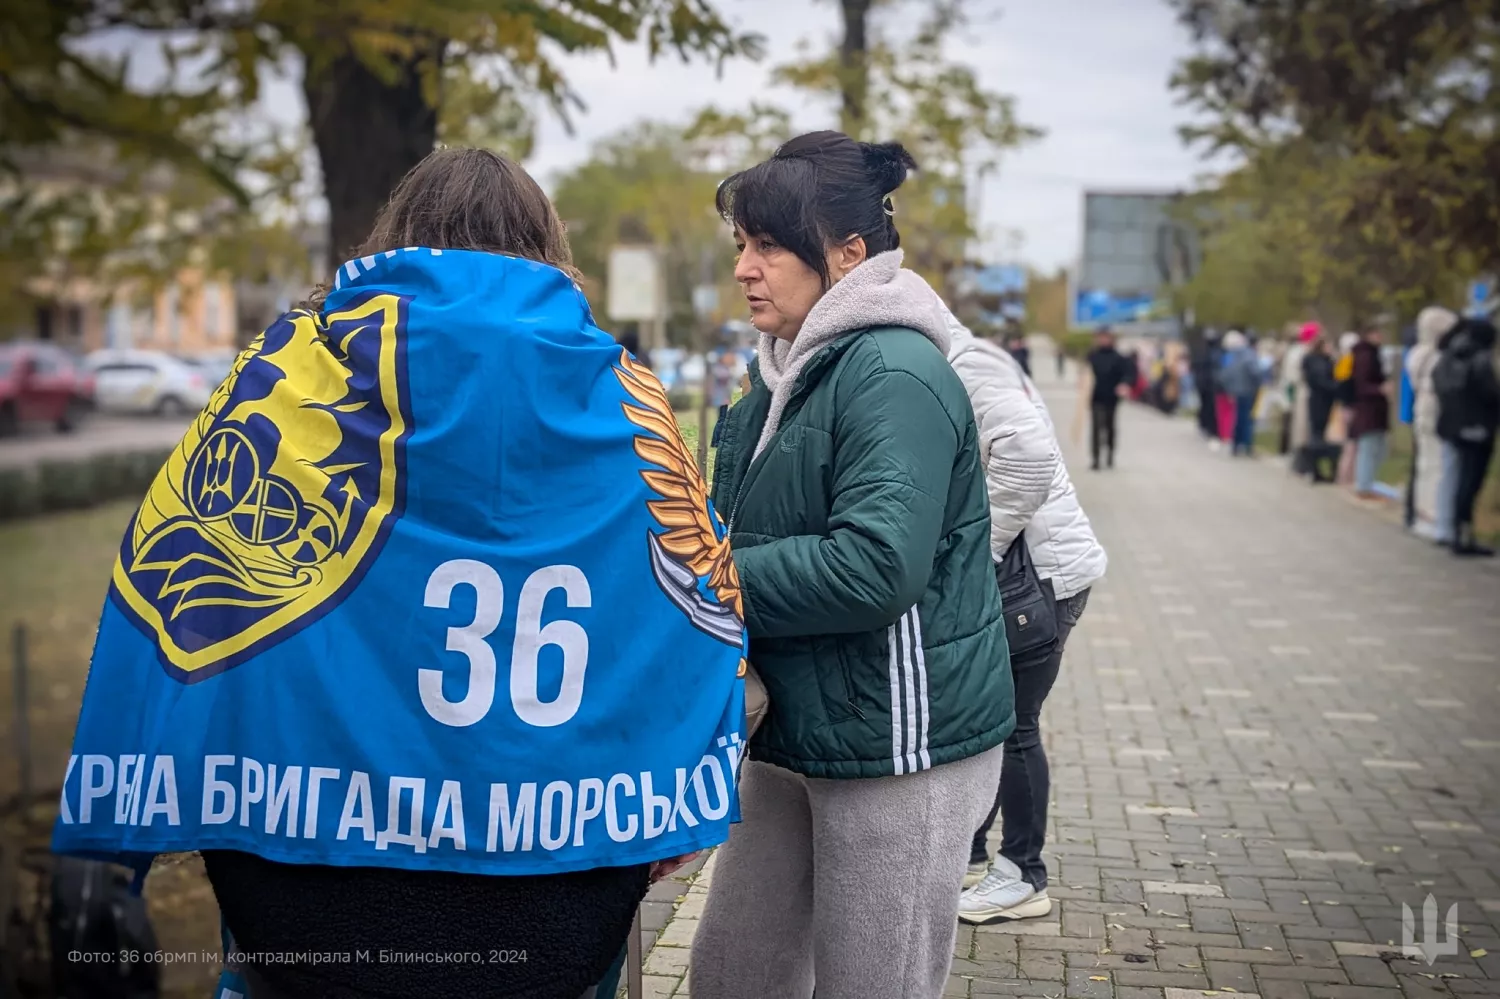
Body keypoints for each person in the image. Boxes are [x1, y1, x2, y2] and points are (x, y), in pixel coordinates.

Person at [52, 148, 748, 999]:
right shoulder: (626, 396)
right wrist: (677, 795)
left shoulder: (282, 383)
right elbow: (706, 606)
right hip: (559, 906)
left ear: (395, 235)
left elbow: (155, 598)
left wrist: (103, 853)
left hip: (301, 903)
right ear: (547, 246)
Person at [689, 131, 1013, 999]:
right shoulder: (778, 377)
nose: (746, 269)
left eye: (768, 247)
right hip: (790, 727)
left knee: (874, 983)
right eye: (741, 247)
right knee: (730, 972)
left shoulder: (892, 368)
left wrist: (706, 581)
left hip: (898, 744)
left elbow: (876, 565)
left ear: (848, 254)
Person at [942, 308, 1107, 923]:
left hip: (1039, 580)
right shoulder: (964, 358)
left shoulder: (967, 363)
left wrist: (975, 553)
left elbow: (1031, 459)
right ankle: (976, 858)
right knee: (988, 722)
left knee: (1013, 727)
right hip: (1033, 577)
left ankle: (1023, 875)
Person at [1433, 315, 1499, 556]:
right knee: (1472, 482)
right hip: (1479, 428)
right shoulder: (1481, 359)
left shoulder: (1448, 357)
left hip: (1454, 426)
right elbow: (1490, 393)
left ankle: (1455, 530)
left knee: (1459, 479)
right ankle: (1464, 534)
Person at [1407, 306, 1459, 541]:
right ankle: (1433, 513)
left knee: (1424, 463)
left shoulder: (1416, 353)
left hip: (1420, 409)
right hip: (1435, 410)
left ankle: (1421, 512)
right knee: (1437, 464)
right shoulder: (1438, 355)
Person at [1349, 325, 1391, 497]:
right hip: (1369, 409)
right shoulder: (1366, 356)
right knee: (1369, 447)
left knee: (1376, 447)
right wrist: (1380, 389)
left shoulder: (1371, 354)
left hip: (1374, 409)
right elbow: (1361, 384)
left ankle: (1367, 482)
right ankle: (1364, 485)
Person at [1084, 326, 1131, 470]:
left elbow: (1129, 374)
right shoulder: (1092, 356)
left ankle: (1110, 453)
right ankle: (1096, 458)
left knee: (1109, 427)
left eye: (1106, 337)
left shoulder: (1119, 358)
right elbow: (1085, 373)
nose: (1103, 340)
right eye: (1101, 337)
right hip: (1096, 396)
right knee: (1096, 427)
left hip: (1112, 397)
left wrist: (1124, 384)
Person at [1219, 329, 1263, 456]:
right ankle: (1247, 445)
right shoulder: (1249, 354)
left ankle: (1236, 444)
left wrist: (1229, 388)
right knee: (1247, 419)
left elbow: (1225, 374)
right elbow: (1255, 371)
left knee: (1238, 418)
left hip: (1236, 390)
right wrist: (1258, 382)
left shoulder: (1231, 356)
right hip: (1247, 390)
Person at [1192, 331, 1223, 446]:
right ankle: (1208, 426)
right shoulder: (1215, 355)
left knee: (1205, 405)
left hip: (1203, 384)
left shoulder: (1202, 353)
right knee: (1209, 406)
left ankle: (1204, 424)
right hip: (1209, 385)